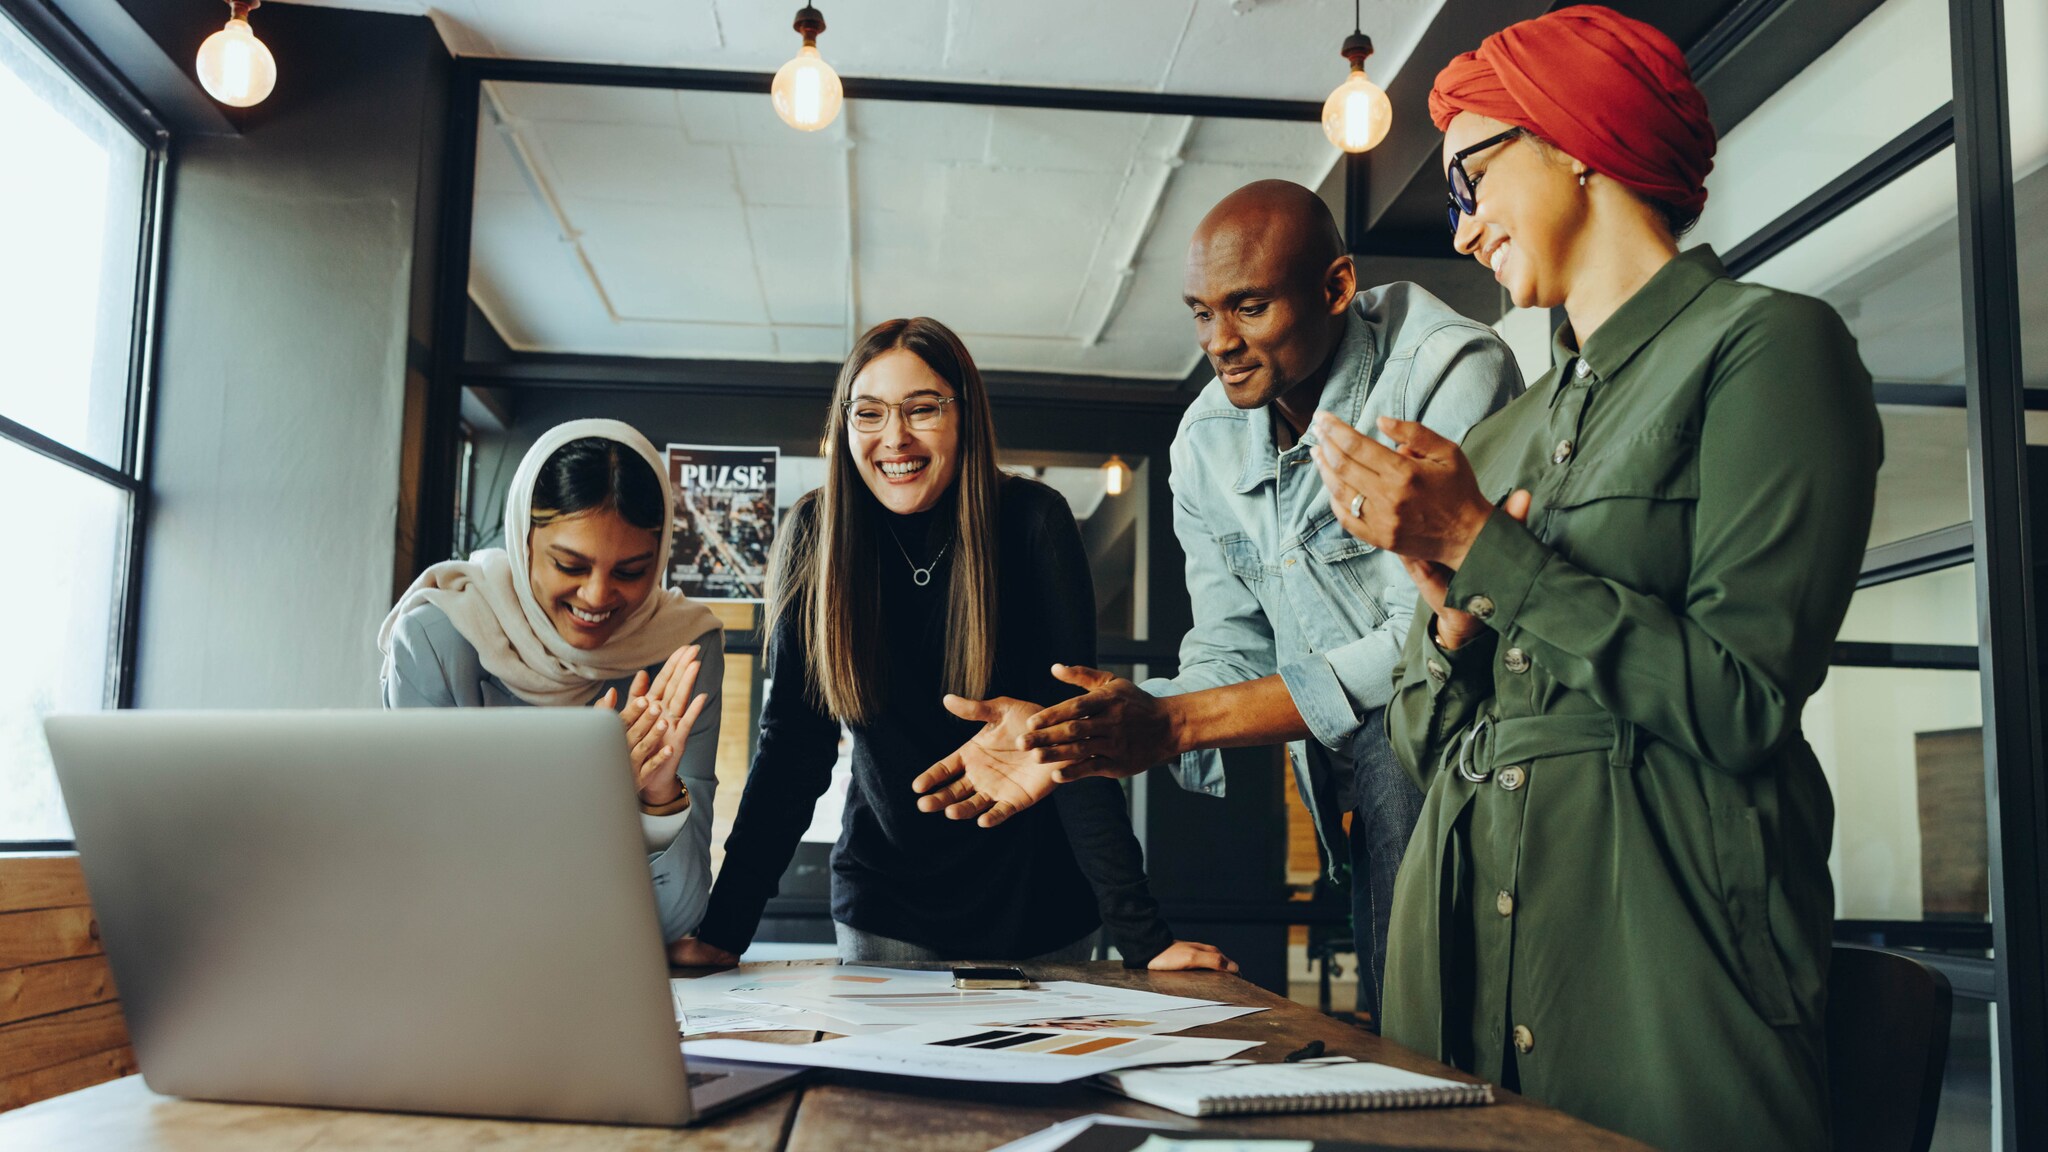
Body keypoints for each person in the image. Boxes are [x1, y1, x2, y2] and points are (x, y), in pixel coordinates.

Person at [1303, 8, 1882, 1149]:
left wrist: (1485, 553)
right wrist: (1446, 623)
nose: (1462, 231)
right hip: (1457, 981)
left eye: (1472, 177)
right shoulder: (1505, 434)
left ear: (1576, 139)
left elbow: (1741, 701)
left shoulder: (1766, 349)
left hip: (1657, 983)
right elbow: (1423, 747)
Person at [912, 182, 1520, 1027]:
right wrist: (1082, 729)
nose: (1219, 344)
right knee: (1401, 1014)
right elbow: (1228, 645)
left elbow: (1423, 649)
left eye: (1249, 307)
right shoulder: (1205, 438)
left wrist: (1175, 726)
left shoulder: (1449, 370)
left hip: (1476, 744)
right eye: (1200, 314)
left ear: (1337, 287)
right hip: (1350, 766)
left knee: (1436, 1022)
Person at [669, 318, 1232, 972]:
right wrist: (725, 929)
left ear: (965, 415)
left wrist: (1146, 939)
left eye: (922, 409)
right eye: (870, 413)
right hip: (887, 908)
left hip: (1042, 908)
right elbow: (793, 746)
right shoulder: (814, 535)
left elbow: (1073, 734)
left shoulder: (1034, 524)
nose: (895, 437)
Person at [379, 419, 723, 947]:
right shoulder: (439, 640)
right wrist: (587, 795)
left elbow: (676, 919)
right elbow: (429, 888)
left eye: (632, 571)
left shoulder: (679, 648)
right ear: (523, 540)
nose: (597, 595)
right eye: (569, 564)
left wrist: (658, 798)